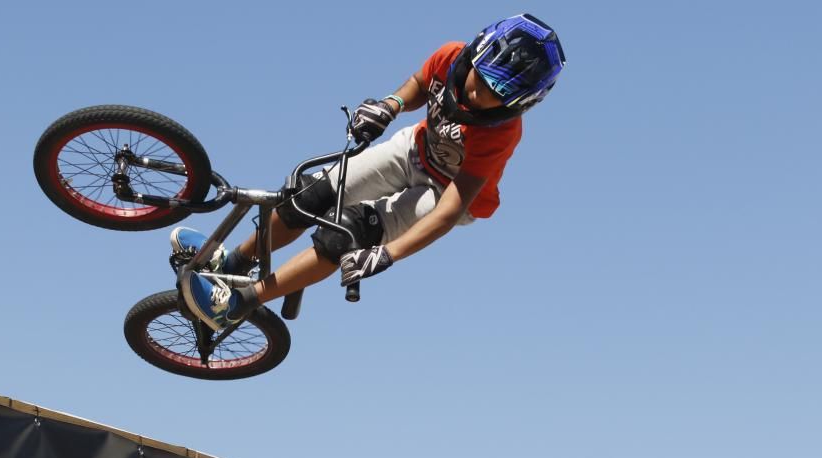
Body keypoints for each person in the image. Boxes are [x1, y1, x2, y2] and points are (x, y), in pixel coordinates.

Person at [172, 13, 566, 330]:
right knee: (311, 195)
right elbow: (418, 83)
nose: (478, 96)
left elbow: (448, 210)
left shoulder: (503, 132)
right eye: (480, 79)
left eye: (497, 97)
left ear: (520, 103)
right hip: (414, 149)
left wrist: (387, 253)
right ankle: (233, 263)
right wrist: (390, 105)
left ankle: (240, 304)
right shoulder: (450, 56)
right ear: (475, 56)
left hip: (449, 194)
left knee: (348, 232)